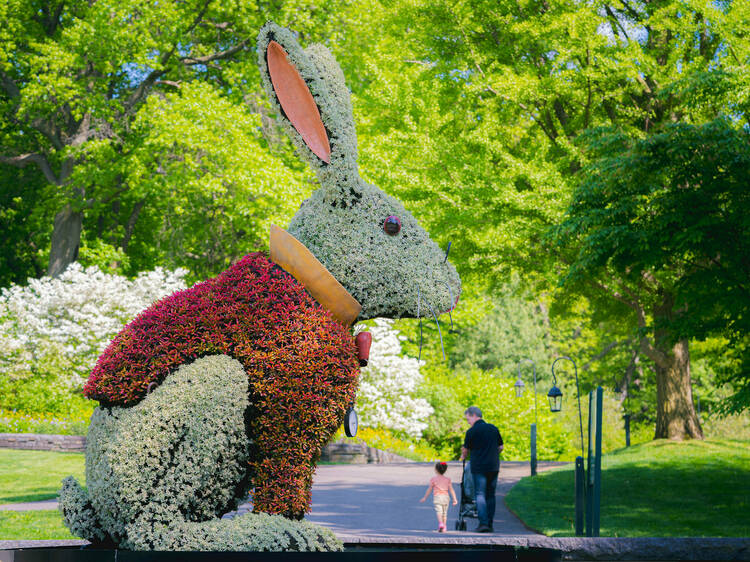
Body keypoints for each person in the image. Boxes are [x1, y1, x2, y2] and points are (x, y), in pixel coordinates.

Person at [460, 406, 503, 532]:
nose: (468, 421)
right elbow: (501, 447)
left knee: (480, 494)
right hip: (493, 466)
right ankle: (489, 524)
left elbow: (465, 450)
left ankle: (483, 523)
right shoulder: (493, 429)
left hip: (479, 467)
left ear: (474, 415)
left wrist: (462, 456)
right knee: (491, 494)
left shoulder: (471, 432)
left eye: (468, 418)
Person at [419, 461, 458, 532]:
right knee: (445, 513)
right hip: (446, 497)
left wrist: (425, 497)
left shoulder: (433, 479)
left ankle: (440, 524)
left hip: (437, 497)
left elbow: (429, 489)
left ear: (436, 470)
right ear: (445, 470)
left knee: (439, 511)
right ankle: (444, 526)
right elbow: (451, 490)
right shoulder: (448, 479)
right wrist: (454, 499)